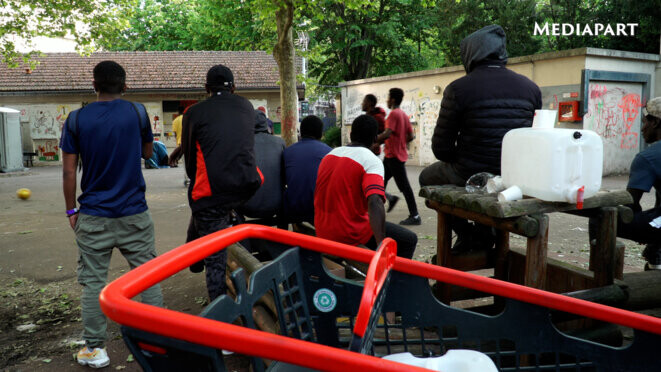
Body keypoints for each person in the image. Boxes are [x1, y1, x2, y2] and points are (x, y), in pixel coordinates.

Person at [60, 60, 163, 368]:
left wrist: (70, 210)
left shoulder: (76, 119)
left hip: (93, 215)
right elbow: (148, 152)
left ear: (95, 86)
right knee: (148, 275)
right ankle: (156, 341)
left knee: (93, 282)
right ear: (125, 86)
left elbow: (68, 172)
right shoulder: (137, 112)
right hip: (134, 213)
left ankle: (95, 349)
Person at [418, 25, 541, 251]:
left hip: (469, 171)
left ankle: (471, 235)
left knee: (426, 177)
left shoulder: (458, 89)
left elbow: (441, 148)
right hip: (513, 176)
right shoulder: (531, 88)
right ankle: (485, 232)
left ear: (470, 54)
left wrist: (466, 157)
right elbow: (535, 139)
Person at [182, 64, 262, 300]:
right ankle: (194, 252)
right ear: (234, 88)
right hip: (248, 185)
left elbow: (190, 165)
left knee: (215, 257)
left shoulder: (194, 112)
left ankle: (218, 309)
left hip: (215, 193)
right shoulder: (247, 106)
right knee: (205, 207)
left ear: (206, 88)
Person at [315, 114, 417, 259]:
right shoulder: (371, 160)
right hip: (349, 234)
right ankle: (390, 280)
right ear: (376, 139)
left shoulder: (329, 156)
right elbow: (375, 201)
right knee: (409, 239)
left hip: (322, 230)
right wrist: (381, 244)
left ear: (351, 135)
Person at [590, 97, 661, 270]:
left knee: (600, 217)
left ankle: (601, 274)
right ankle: (655, 260)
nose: (642, 128)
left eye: (645, 122)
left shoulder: (647, 157)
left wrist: (639, 226)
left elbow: (630, 203)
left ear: (656, 123)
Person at [376, 88, 420, 225]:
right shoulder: (403, 115)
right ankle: (387, 201)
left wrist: (372, 140)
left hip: (394, 157)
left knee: (404, 187)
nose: (387, 101)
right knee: (379, 182)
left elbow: (387, 133)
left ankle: (415, 216)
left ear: (393, 99)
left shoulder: (393, 115)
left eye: (388, 98)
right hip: (392, 156)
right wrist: (401, 142)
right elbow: (411, 136)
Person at [237, 109, 286, 221]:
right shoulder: (280, 143)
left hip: (247, 206)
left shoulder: (241, 144)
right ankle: (282, 233)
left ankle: (241, 235)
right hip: (276, 204)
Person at [282, 115, 332, 224]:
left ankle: (282, 238)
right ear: (320, 133)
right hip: (319, 208)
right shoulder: (329, 152)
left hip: (292, 207)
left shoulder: (288, 151)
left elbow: (285, 179)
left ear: (301, 132)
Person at [363, 94, 400, 212]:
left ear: (369, 103)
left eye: (364, 101)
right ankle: (389, 198)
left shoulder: (378, 117)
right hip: (367, 151)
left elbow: (385, 133)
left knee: (366, 180)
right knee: (369, 180)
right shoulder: (369, 116)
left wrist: (377, 143)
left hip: (372, 152)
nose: (362, 104)